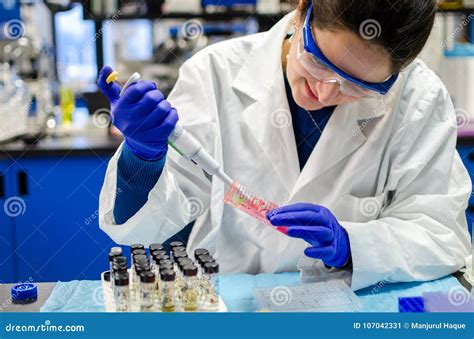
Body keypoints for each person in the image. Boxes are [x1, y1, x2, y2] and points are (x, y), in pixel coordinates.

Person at [97, 0, 471, 290]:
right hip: (227, 308)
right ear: (301, 12)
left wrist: (352, 244)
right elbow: (146, 229)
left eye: (357, 86)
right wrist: (143, 155)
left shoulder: (417, 99)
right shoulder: (214, 73)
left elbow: (442, 235)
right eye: (317, 61)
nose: (323, 92)